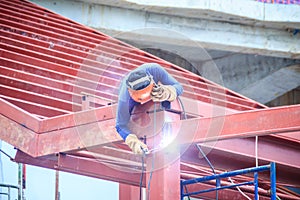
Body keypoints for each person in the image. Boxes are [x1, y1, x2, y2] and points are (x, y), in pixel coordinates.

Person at [115, 63, 183, 154]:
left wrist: (167, 92)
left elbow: (178, 87)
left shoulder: (155, 69)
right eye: (141, 98)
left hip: (158, 97)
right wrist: (134, 142)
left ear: (152, 81)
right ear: (130, 92)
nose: (147, 101)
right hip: (139, 120)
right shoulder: (124, 98)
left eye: (148, 95)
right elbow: (120, 125)